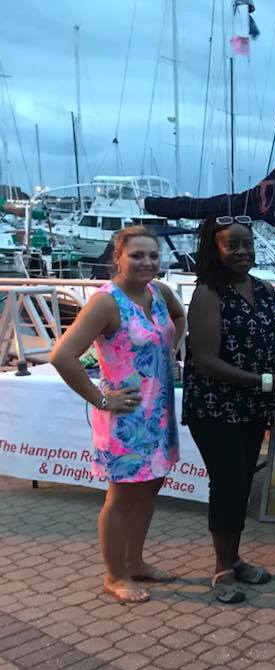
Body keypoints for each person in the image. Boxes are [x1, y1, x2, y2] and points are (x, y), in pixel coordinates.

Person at [51, 226, 185, 603]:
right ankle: (114, 575)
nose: (146, 262)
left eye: (153, 256)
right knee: (123, 498)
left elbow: (178, 319)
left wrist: (169, 352)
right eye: (137, 255)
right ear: (118, 257)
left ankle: (137, 562)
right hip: (126, 419)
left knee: (149, 491)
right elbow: (61, 356)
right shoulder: (106, 302)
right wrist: (101, 398)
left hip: (158, 411)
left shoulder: (160, 293)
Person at [182, 215, 275, 603]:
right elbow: (205, 362)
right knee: (228, 485)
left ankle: (234, 559)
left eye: (247, 243)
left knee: (242, 484)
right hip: (216, 410)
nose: (242, 251)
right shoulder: (207, 294)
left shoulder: (264, 290)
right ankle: (222, 569)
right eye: (232, 245)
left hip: (252, 408)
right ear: (213, 250)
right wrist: (269, 381)